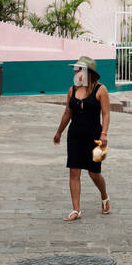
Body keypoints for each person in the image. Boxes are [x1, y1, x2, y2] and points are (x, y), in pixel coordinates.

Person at [52, 56, 111, 220]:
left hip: (94, 138)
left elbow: (106, 114)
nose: (75, 72)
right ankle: (76, 210)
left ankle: (104, 196)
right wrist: (59, 132)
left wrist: (104, 134)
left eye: (78, 69)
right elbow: (67, 113)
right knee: (74, 171)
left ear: (88, 72)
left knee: (94, 173)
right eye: (75, 69)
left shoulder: (101, 90)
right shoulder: (72, 90)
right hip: (75, 136)